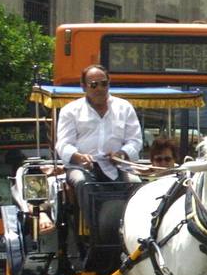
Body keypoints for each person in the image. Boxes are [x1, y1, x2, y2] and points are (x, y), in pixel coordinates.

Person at [56, 64, 142, 195]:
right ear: (84, 87)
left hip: (118, 167)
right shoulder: (70, 110)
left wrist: (121, 154)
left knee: (136, 183)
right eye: (94, 85)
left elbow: (135, 141)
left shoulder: (124, 107)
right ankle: (89, 216)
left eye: (104, 84)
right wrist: (79, 157)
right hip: (82, 168)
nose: (100, 89)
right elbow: (63, 145)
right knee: (82, 183)